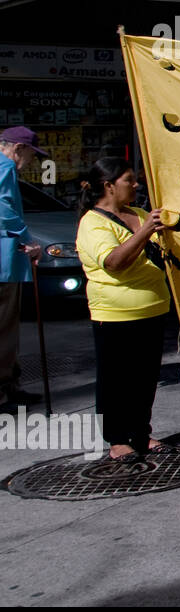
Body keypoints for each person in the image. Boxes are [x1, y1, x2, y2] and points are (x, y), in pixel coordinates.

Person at [76, 157, 174, 462]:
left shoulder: (139, 213)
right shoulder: (93, 223)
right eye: (129, 180)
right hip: (116, 315)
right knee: (116, 380)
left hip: (153, 308)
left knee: (145, 378)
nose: (136, 185)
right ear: (109, 185)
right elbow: (115, 263)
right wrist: (145, 231)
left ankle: (140, 433)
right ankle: (117, 440)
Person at [0, 127, 46, 408]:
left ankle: (10, 385)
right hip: (4, 261)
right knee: (5, 329)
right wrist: (28, 240)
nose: (31, 160)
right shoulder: (5, 165)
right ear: (18, 149)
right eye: (31, 153)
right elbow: (3, 208)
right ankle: (3, 391)